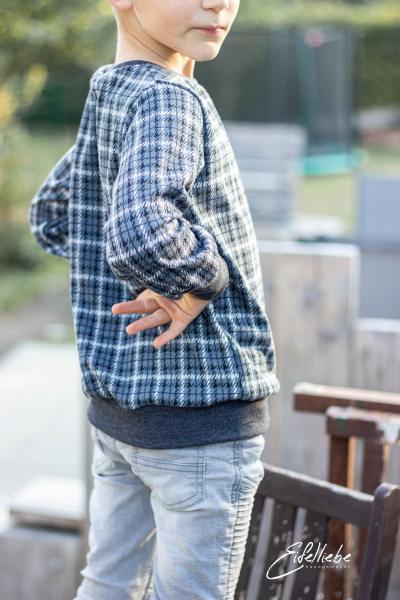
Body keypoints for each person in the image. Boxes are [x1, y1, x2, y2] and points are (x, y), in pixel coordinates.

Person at [28, 0, 281, 598]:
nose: (218, 3)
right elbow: (142, 231)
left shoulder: (110, 92)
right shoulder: (170, 98)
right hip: (200, 419)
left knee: (109, 584)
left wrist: (133, 272)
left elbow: (53, 216)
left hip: (120, 419)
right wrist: (201, 279)